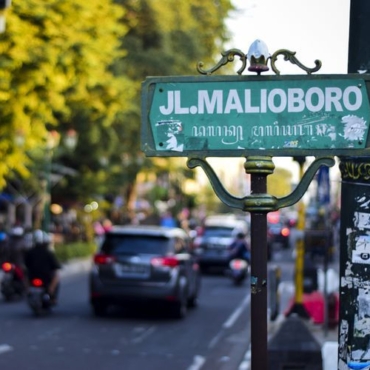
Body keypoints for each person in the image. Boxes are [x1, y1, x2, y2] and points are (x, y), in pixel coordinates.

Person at [24, 230, 61, 304]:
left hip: (33, 275)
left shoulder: (30, 252)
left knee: (25, 276)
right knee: (57, 276)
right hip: (45, 276)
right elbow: (55, 265)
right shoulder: (48, 252)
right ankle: (51, 292)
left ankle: (28, 290)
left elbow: (26, 264)